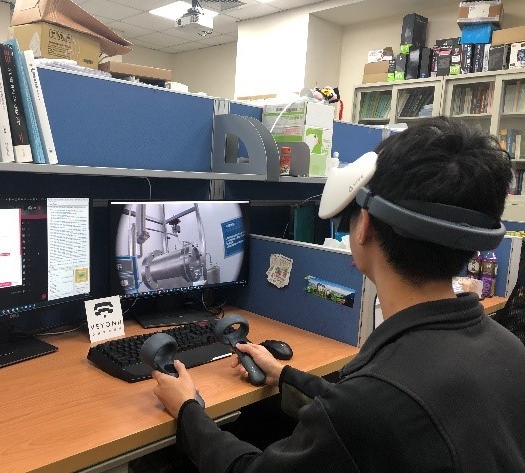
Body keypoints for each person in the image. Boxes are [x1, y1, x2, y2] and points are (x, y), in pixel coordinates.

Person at [151, 117, 525, 473]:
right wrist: (284, 376)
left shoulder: (371, 402)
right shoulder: (509, 350)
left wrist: (187, 410)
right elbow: (374, 409)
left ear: (364, 228)